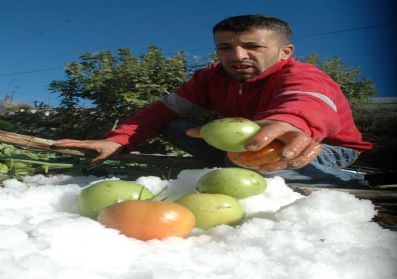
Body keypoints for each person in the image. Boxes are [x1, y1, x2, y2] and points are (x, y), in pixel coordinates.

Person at [54, 14, 372, 188]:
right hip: (250, 144)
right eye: (225, 48)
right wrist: (118, 140)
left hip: (322, 145)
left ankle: (349, 182)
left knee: (263, 164)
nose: (237, 56)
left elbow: (307, 99)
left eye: (252, 46)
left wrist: (289, 122)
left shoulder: (303, 75)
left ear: (284, 52)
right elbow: (164, 108)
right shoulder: (210, 77)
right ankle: (243, 165)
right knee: (175, 124)